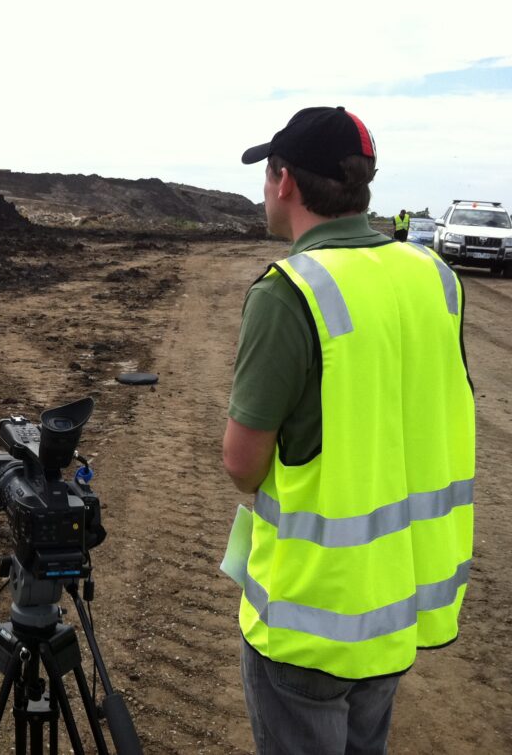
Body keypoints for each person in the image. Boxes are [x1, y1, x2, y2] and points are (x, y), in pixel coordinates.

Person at [223, 107, 475, 754]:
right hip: (393, 608)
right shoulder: (435, 278)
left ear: (284, 182)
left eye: (268, 175)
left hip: (310, 622)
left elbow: (243, 464)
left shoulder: (289, 292)